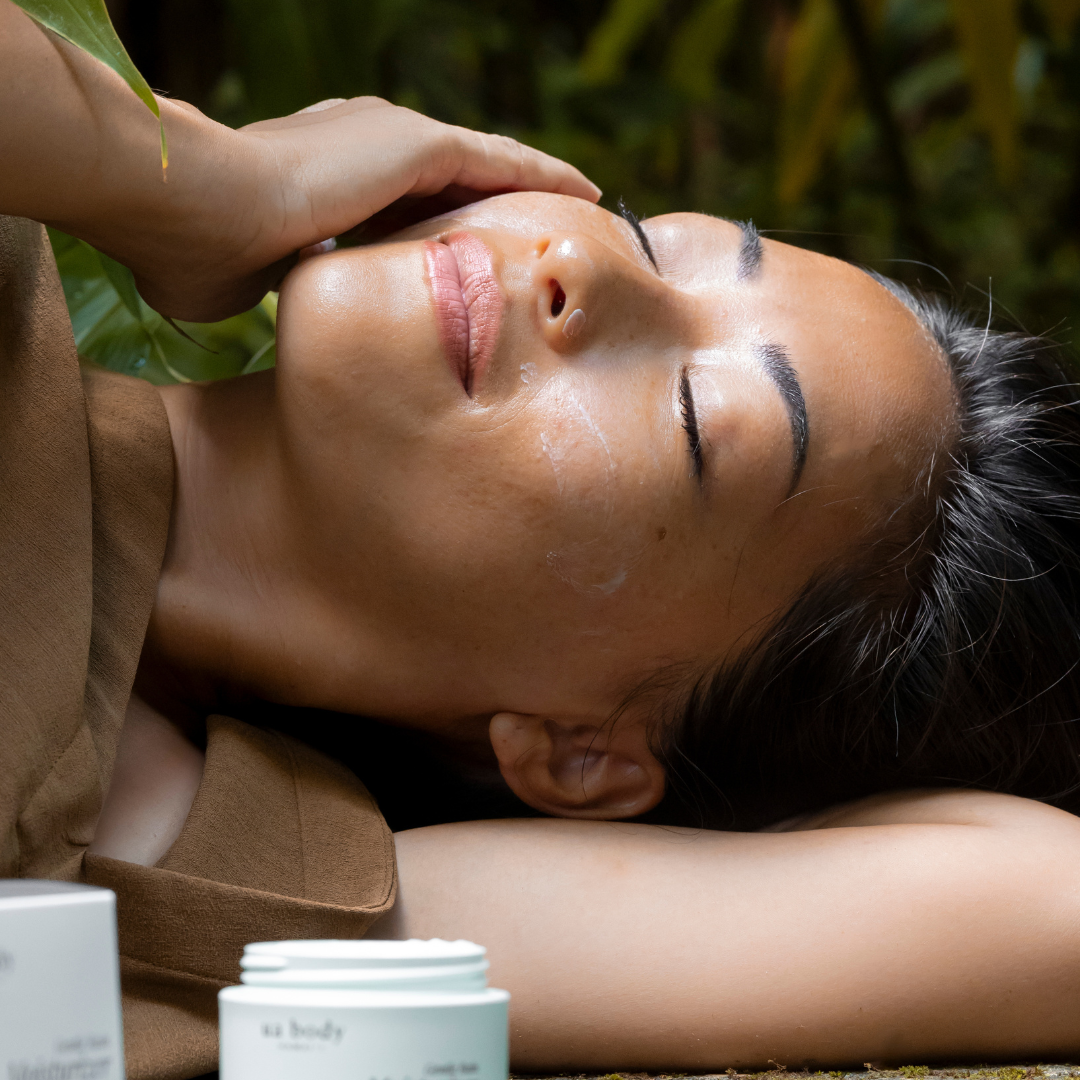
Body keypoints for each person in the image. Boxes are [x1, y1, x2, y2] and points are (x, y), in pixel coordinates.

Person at [5, 0, 1080, 1075]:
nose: (583, 266)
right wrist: (171, 172)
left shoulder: (232, 891)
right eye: (655, 240)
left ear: (583, 754)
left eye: (700, 423)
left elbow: (1048, 908)